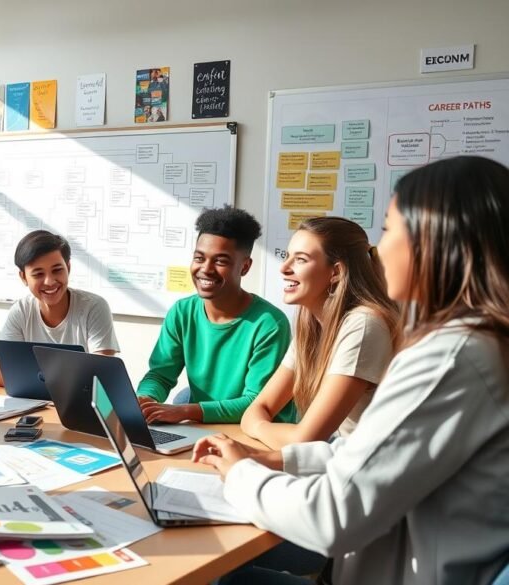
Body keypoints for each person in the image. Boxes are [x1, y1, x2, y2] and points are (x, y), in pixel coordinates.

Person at [196, 156, 509, 585]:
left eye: (388, 228)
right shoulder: (478, 344)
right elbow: (364, 449)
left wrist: (239, 475)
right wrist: (269, 458)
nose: (378, 251)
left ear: (434, 241)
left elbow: (333, 516)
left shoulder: (450, 356)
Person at [240, 217, 398, 449]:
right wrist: (264, 425)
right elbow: (258, 408)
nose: (284, 268)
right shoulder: (311, 325)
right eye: (287, 256)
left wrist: (258, 427)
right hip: (342, 455)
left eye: (301, 259)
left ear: (336, 272)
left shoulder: (364, 325)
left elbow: (305, 439)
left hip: (372, 466)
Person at [137, 206, 295, 424]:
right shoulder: (182, 312)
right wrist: (146, 399)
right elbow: (160, 375)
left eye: (220, 261)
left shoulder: (269, 323)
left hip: (257, 433)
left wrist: (184, 411)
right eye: (199, 258)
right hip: (204, 428)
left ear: (245, 267)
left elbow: (256, 402)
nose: (206, 269)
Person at [0, 229, 119, 386]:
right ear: (23, 277)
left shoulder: (94, 307)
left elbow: (101, 375)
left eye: (57, 270)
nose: (49, 282)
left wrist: (35, 375)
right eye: (38, 274)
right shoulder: (20, 311)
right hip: (35, 405)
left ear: (68, 268)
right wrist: (67, 376)